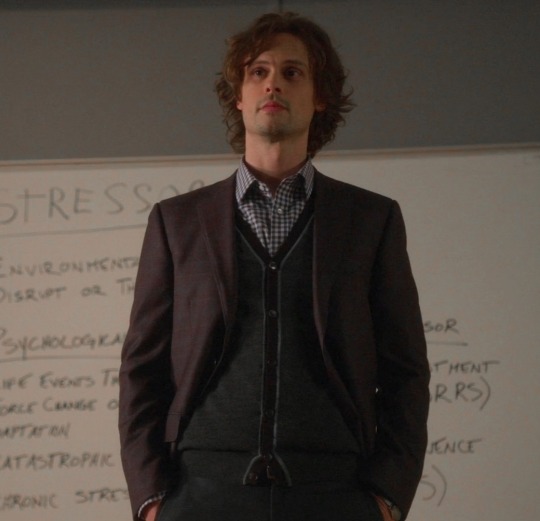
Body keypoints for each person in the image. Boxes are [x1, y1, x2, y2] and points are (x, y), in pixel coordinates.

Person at [119, 11, 430, 521]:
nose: (273, 84)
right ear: (239, 96)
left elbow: (406, 371)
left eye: (292, 72)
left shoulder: (371, 220)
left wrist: (387, 497)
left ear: (320, 96)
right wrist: (151, 497)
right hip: (199, 493)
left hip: (336, 493)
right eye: (258, 71)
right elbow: (142, 369)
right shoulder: (177, 222)